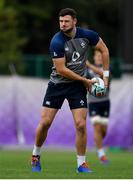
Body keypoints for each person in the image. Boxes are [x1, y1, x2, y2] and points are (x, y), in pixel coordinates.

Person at [31, 8, 110, 173]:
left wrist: (106, 75)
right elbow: (61, 70)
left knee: (81, 125)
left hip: (77, 87)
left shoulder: (88, 35)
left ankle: (81, 164)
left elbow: (104, 50)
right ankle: (35, 155)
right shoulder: (57, 41)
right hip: (57, 85)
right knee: (45, 123)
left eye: (66, 21)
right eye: (60, 21)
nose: (63, 24)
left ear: (74, 21)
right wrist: (86, 80)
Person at [86, 49, 111, 164]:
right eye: (97, 56)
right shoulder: (87, 71)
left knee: (103, 131)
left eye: (101, 56)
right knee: (96, 126)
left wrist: (89, 65)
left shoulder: (106, 69)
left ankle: (98, 144)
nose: (99, 58)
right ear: (95, 57)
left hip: (105, 102)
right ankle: (101, 154)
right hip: (93, 102)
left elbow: (103, 75)